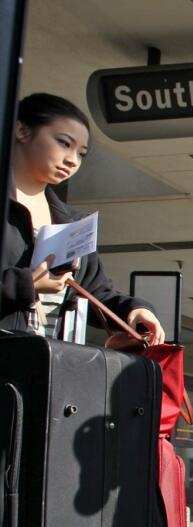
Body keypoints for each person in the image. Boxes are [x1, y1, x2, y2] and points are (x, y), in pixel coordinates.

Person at [2, 93, 164, 342]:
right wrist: (24, 284)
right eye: (64, 143)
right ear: (22, 130)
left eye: (82, 154)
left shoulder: (71, 222)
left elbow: (95, 292)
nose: (72, 160)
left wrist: (135, 309)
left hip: (42, 366)